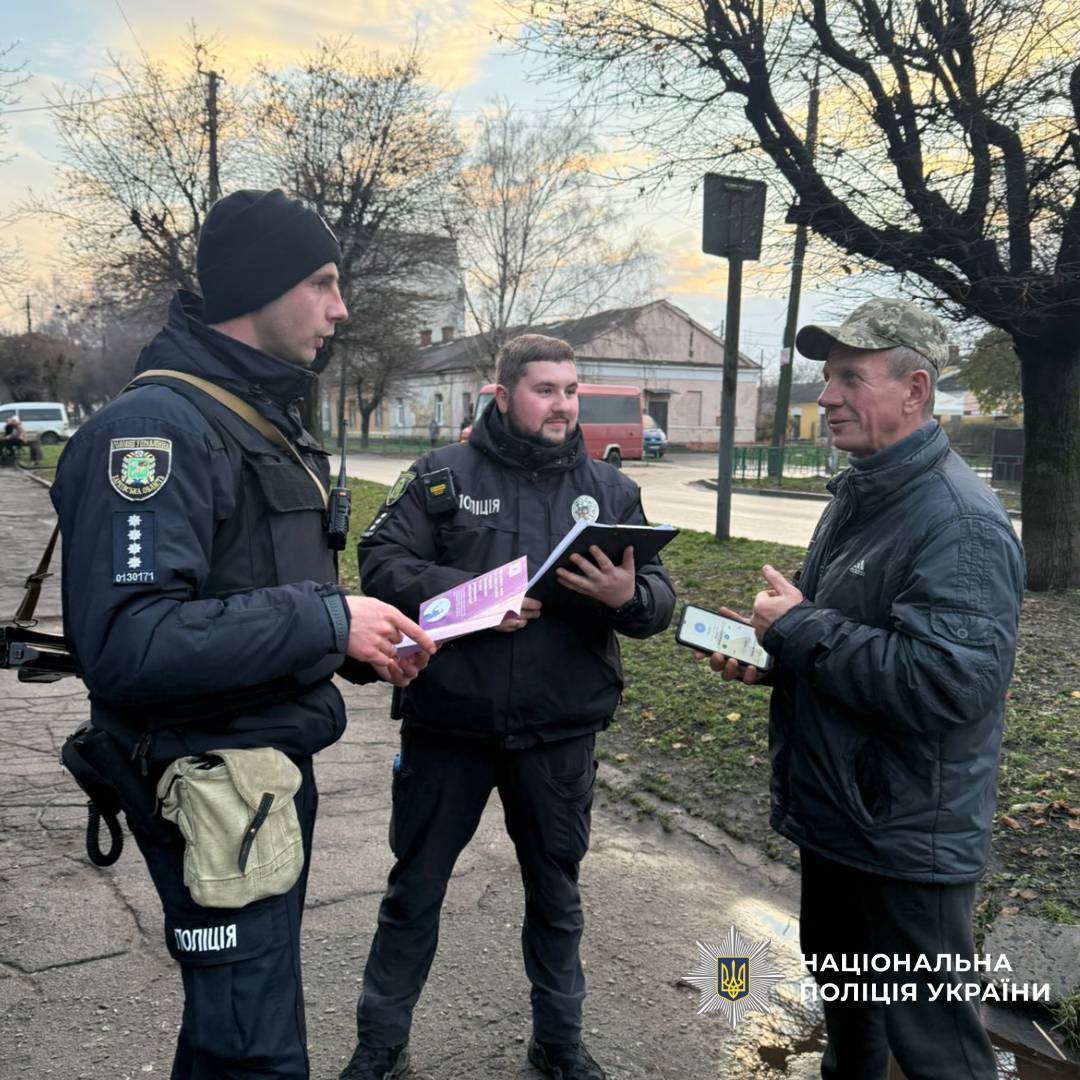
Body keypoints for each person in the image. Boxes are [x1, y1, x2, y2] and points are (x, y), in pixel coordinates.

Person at [50, 188, 436, 1080]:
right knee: (254, 1052)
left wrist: (352, 640)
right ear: (258, 287)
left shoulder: (253, 419)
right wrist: (327, 617)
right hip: (204, 784)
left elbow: (251, 594)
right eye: (323, 283)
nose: (341, 310)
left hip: (257, 777)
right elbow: (131, 642)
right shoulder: (154, 432)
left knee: (239, 1029)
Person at [339, 334, 676, 1080]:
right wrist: (475, 598)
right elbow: (383, 564)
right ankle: (380, 1045)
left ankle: (558, 1041)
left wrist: (632, 598)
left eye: (570, 390)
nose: (561, 404)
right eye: (544, 390)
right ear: (502, 395)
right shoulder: (439, 478)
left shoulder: (609, 490)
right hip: (448, 727)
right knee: (414, 892)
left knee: (557, 896)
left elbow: (658, 596)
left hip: (558, 733)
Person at [704, 299, 1024, 1080]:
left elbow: (947, 684)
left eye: (851, 377)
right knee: (853, 1023)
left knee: (938, 1050)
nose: (826, 397)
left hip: (908, 840)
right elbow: (847, 641)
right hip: (845, 821)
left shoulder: (960, 521)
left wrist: (802, 629)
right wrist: (772, 650)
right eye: (825, 377)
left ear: (915, 390)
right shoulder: (864, 493)